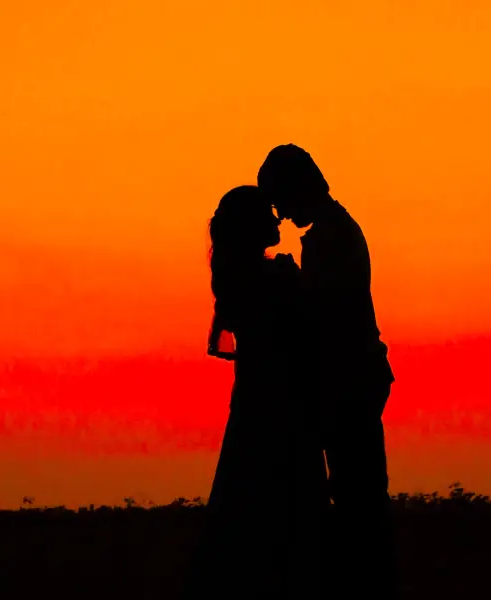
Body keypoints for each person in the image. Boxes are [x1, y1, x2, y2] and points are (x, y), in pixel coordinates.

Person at [258, 144, 397, 599]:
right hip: (352, 379)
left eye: (280, 199)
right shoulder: (333, 232)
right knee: (357, 493)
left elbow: (326, 318)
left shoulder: (330, 239)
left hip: (348, 383)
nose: (279, 213)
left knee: (358, 496)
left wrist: (289, 289)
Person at [183, 185, 329, 600]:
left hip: (259, 404)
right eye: (268, 212)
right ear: (249, 227)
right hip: (278, 410)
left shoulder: (242, 277)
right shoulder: (266, 280)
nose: (277, 218)